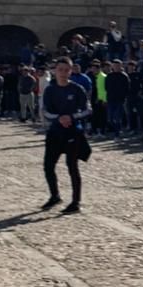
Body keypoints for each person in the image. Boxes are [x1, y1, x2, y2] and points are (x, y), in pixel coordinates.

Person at [40, 57, 91, 213]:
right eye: (60, 70)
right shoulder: (50, 90)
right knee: (48, 166)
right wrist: (59, 118)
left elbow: (88, 109)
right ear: (55, 71)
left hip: (72, 132)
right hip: (55, 132)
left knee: (72, 167)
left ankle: (76, 201)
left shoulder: (77, 89)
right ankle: (54, 195)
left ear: (70, 71)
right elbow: (45, 111)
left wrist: (71, 117)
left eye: (66, 70)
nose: (63, 73)